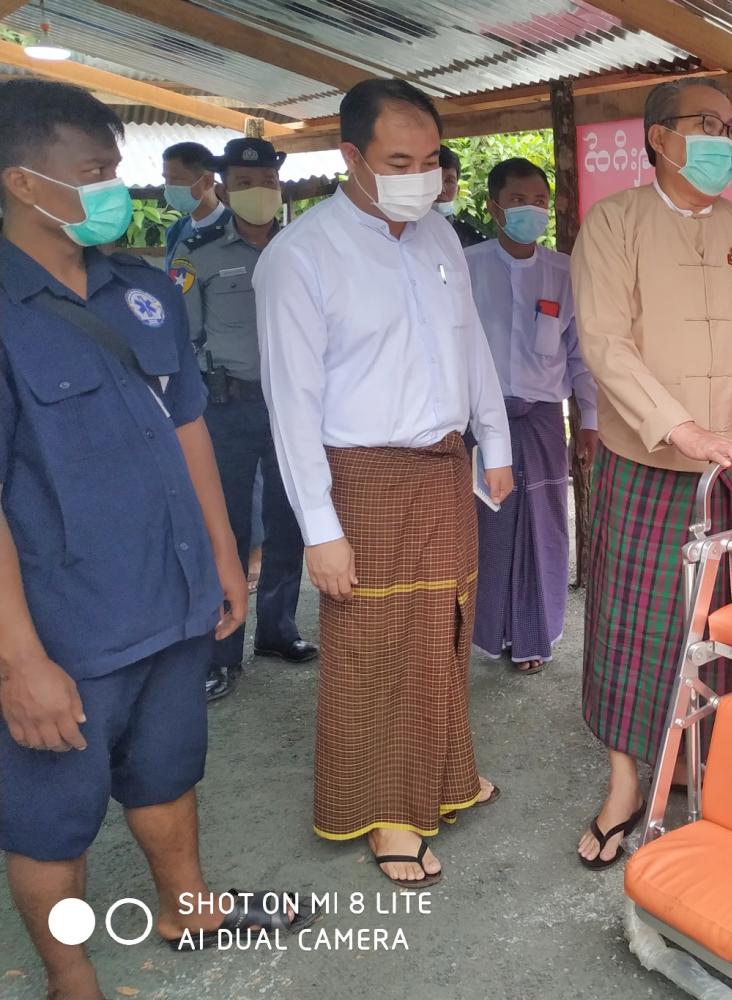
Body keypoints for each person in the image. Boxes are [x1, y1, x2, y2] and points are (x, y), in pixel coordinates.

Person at [0, 80, 312, 1000]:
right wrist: (20, 661)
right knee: (52, 819)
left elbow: (188, 429)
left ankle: (189, 907)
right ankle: (71, 976)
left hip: (172, 599)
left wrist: (224, 556)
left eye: (114, 169)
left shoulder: (140, 291)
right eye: (93, 172)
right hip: (66, 625)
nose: (113, 189)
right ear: (24, 182)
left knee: (167, 772)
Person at [571, 77, 732, 869]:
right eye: (707, 125)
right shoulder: (615, 222)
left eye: (731, 128)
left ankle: (704, 767)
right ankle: (625, 784)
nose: (725, 140)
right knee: (633, 629)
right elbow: (605, 342)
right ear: (660, 138)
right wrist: (679, 427)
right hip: (645, 462)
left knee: (722, 625)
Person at [255, 78, 512, 889]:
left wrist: (495, 441)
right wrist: (320, 529)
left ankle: (445, 774)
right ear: (351, 157)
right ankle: (385, 812)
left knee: (445, 628)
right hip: (360, 476)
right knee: (374, 647)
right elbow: (291, 404)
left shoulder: (439, 237)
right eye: (400, 162)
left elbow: (471, 346)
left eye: (430, 160)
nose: (421, 177)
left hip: (444, 466)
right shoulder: (300, 256)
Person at [177, 138, 316, 703]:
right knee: (228, 529)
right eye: (243, 183)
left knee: (289, 521)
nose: (257, 191)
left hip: (293, 407)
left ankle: (278, 631)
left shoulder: (303, 247)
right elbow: (182, 339)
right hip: (228, 405)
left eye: (266, 182)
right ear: (223, 188)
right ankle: (221, 653)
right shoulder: (199, 255)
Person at [465, 157, 598, 674]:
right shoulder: (466, 267)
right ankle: (487, 632)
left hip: (542, 420)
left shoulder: (564, 272)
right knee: (487, 523)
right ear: (494, 207)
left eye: (539, 201)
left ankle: (533, 637)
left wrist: (589, 421)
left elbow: (580, 355)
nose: (531, 210)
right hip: (481, 419)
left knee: (545, 526)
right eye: (518, 201)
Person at [162, 141, 227, 264]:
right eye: (166, 179)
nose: (169, 186)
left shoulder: (237, 227)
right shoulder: (176, 231)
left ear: (207, 181)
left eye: (176, 179)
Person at [437, 145, 486, 248]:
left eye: (449, 181)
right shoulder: (402, 230)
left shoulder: (473, 241)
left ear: (457, 190)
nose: (441, 189)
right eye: (434, 179)